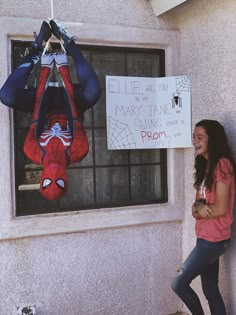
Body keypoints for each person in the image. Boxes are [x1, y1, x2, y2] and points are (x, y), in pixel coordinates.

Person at [0, 20, 101, 200]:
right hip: (71, 104)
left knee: (6, 95)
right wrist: (63, 68)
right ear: (66, 180)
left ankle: (36, 50)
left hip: (44, 104)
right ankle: (69, 43)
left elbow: (38, 113)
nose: (54, 177)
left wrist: (45, 68)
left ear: (41, 180)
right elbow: (74, 115)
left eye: (48, 182)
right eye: (59, 182)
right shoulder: (79, 150)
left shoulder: (32, 150)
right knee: (93, 92)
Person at [171, 119, 236, 315]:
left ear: (212, 140)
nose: (194, 141)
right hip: (204, 238)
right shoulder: (205, 166)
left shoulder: (222, 165)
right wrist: (200, 208)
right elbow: (195, 208)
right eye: (193, 137)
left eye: (200, 137)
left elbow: (221, 208)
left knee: (178, 283)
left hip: (214, 240)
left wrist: (201, 209)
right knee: (210, 289)